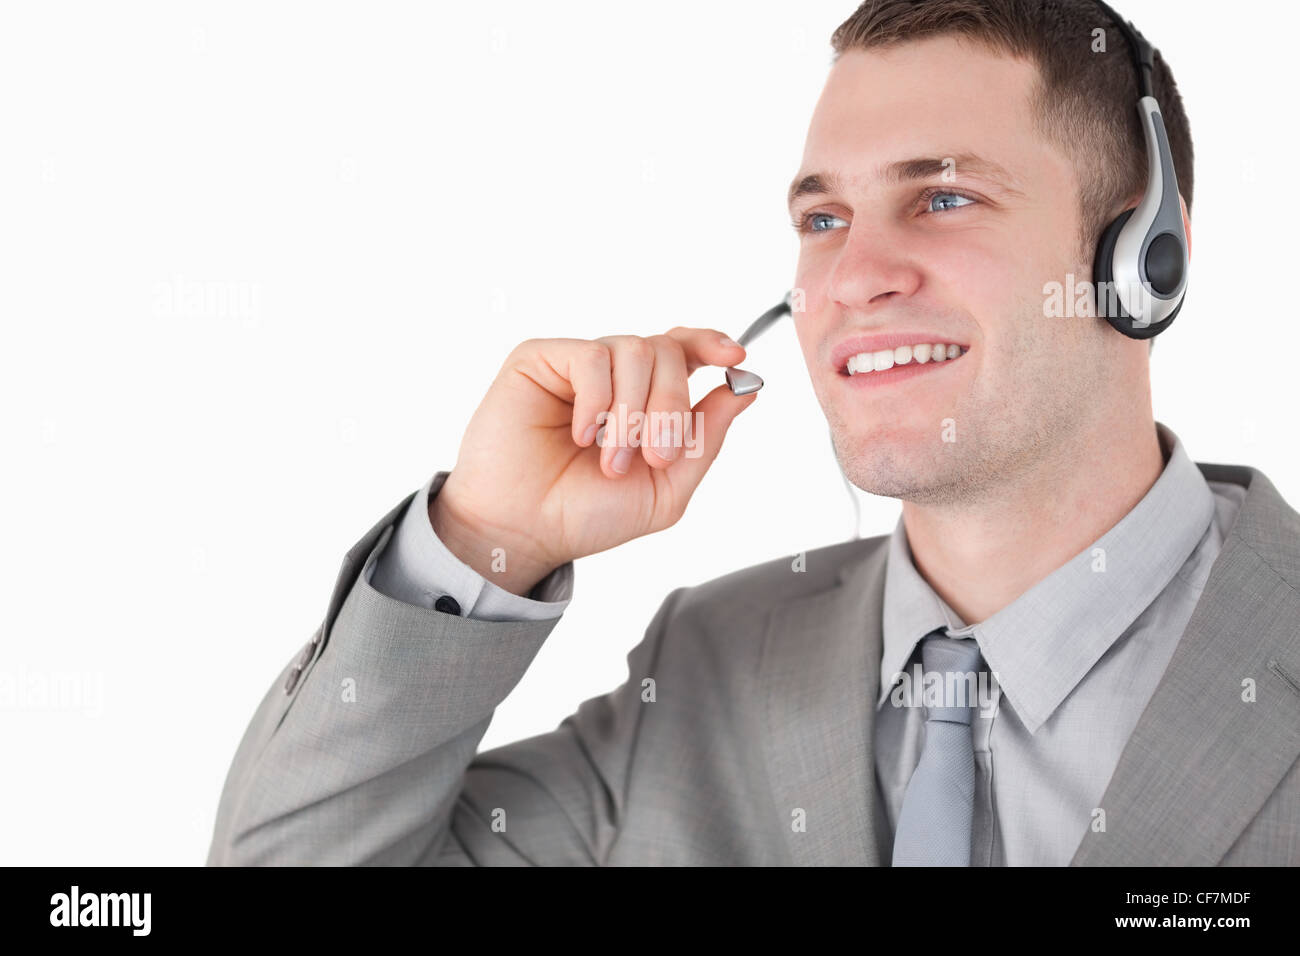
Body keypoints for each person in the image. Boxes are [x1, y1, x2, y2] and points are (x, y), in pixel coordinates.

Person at [206, 0, 1300, 866]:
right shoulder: (705, 669)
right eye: (823, 219)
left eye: (943, 197)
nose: (851, 278)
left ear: (1143, 257)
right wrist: (491, 535)